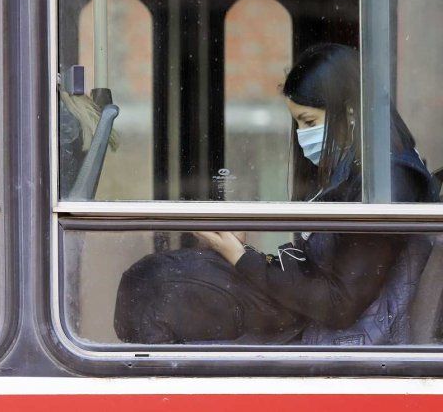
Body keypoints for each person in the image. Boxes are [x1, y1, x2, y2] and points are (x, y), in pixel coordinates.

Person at [114, 43, 439, 345]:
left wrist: (242, 259)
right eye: (297, 123)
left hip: (341, 336)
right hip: (310, 315)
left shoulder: (391, 181)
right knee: (150, 280)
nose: (302, 135)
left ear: (351, 112)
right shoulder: (360, 172)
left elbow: (340, 305)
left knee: (154, 290)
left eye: (309, 121)